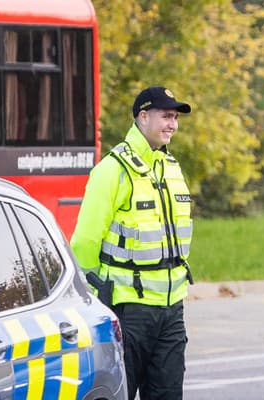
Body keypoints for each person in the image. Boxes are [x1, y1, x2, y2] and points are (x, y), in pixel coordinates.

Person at [71, 86, 194, 399]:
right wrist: (99, 294)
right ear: (143, 116)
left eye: (175, 118)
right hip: (128, 311)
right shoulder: (112, 170)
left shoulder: (171, 169)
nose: (173, 124)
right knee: (120, 393)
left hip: (171, 313)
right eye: (166, 116)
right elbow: (84, 240)